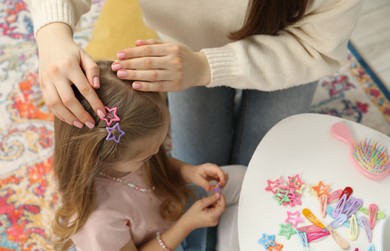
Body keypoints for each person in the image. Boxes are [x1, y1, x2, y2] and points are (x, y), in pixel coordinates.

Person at [24, 0, 362, 166]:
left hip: (293, 49)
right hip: (185, 47)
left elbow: (316, 48)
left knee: (260, 164)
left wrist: (206, 68)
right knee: (199, 164)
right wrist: (52, 30)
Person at [52, 60, 245, 251]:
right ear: (104, 159)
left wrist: (190, 172)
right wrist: (187, 224)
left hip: (169, 212)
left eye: (158, 147)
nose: (156, 155)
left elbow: (159, 165)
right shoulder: (97, 221)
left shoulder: (126, 155)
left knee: (241, 179)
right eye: (145, 157)